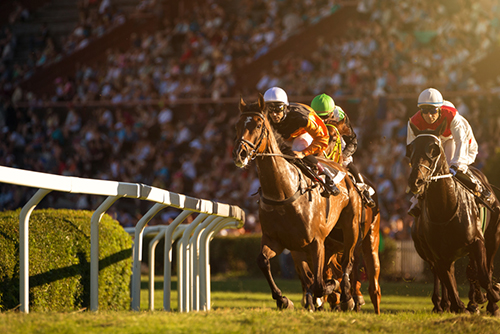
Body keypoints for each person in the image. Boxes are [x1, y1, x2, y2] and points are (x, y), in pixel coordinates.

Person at [406, 87, 494, 217]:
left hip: (456, 140)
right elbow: (411, 147)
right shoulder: (414, 122)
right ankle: (417, 200)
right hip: (436, 142)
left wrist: (455, 165)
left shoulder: (452, 116)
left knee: (451, 166)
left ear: (440, 109)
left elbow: (461, 142)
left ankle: (478, 188)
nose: (428, 115)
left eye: (432, 110)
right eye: (424, 111)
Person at [263, 86, 339, 196]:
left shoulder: (301, 116)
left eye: (278, 109)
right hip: (284, 137)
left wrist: (303, 153)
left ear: (285, 107)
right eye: (270, 109)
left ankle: (327, 177)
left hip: (305, 134)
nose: (274, 114)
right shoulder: (265, 116)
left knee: (296, 149)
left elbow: (323, 138)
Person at [310, 93, 376, 208]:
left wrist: (344, 155)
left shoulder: (339, 115)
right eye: (319, 117)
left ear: (332, 113)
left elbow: (352, 140)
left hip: (337, 142)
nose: (323, 120)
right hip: (317, 142)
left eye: (325, 116)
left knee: (347, 163)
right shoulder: (309, 115)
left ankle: (364, 191)